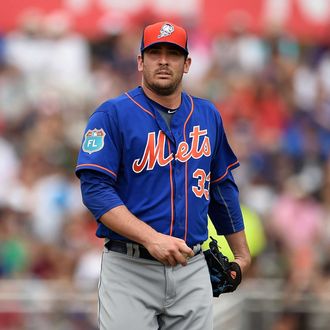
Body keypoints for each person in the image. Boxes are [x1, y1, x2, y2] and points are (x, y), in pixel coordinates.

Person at [75, 21, 251, 330]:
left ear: (187, 64)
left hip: (192, 265)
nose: (164, 61)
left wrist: (241, 252)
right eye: (155, 53)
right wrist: (151, 238)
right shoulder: (112, 114)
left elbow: (221, 186)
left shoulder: (207, 114)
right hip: (130, 266)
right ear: (141, 61)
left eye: (173, 53)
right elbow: (95, 190)